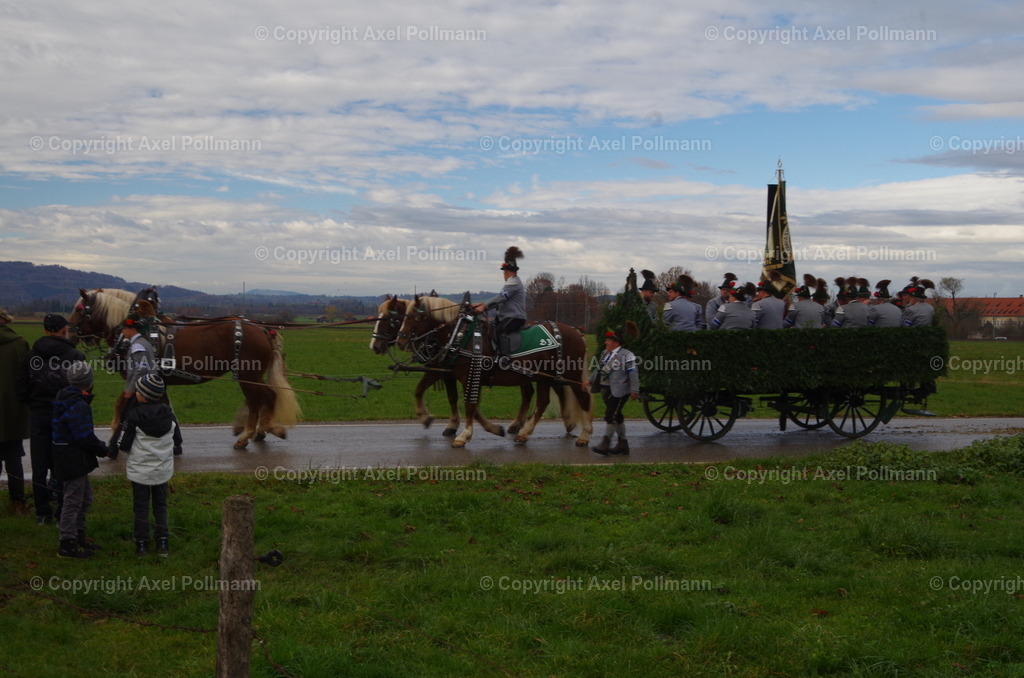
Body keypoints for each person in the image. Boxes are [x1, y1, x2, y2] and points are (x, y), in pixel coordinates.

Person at [16, 314, 86, 525]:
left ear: (45, 330)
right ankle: (62, 512)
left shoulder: (31, 356)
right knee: (62, 465)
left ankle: (42, 512)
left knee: (39, 466)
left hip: (38, 414)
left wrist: (34, 402)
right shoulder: (75, 356)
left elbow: (21, 388)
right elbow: (84, 388)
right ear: (64, 330)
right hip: (65, 415)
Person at [114, 373, 180, 557]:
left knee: (141, 507)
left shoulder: (133, 416)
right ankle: (163, 543)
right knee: (160, 505)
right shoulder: (169, 414)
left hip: (140, 470)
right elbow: (178, 440)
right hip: (162, 469)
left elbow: (123, 444)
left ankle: (141, 544)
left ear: (141, 395)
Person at [51, 361, 108, 558]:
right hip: (72, 458)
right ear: (88, 383)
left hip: (71, 457)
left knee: (85, 498)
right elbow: (83, 435)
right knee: (73, 501)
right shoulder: (77, 404)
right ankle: (67, 543)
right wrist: (102, 448)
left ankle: (79, 536)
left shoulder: (66, 397)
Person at [585, 328, 639, 455]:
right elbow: (598, 369)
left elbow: (633, 373)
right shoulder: (605, 353)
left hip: (620, 391)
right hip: (606, 389)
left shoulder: (627, 355)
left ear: (616, 342)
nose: (606, 342)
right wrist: (589, 381)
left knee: (610, 416)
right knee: (617, 417)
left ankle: (605, 442)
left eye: (608, 340)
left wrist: (634, 390)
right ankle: (623, 444)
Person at [472, 246, 526, 362]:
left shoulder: (514, 283)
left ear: (506, 272)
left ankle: (504, 357)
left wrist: (484, 307)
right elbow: (500, 298)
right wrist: (482, 304)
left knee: (502, 329)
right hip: (507, 316)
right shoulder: (513, 282)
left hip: (515, 317)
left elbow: (501, 297)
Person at [0, 309, 30, 516]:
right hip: (12, 410)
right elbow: (27, 378)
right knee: (13, 458)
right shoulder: (20, 343)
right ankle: (17, 503)